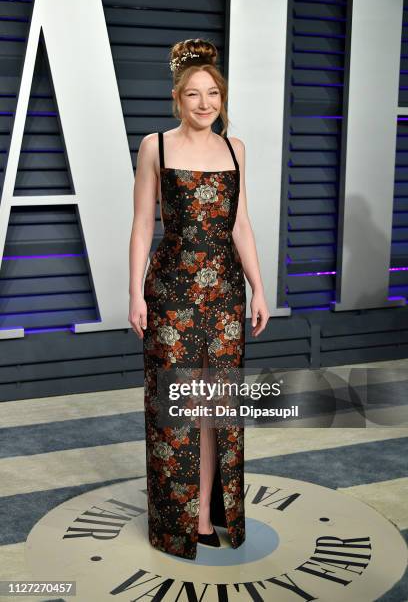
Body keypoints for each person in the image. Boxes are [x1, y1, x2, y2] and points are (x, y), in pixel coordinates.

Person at [129, 38, 269, 560]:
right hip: (170, 295)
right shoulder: (155, 147)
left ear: (222, 99)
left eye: (213, 94)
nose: (205, 104)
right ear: (177, 98)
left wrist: (259, 286)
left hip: (225, 295)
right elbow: (143, 225)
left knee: (216, 409)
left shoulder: (236, 150)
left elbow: (241, 223)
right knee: (177, 408)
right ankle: (177, 522)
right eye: (194, 94)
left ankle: (209, 514)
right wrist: (135, 292)